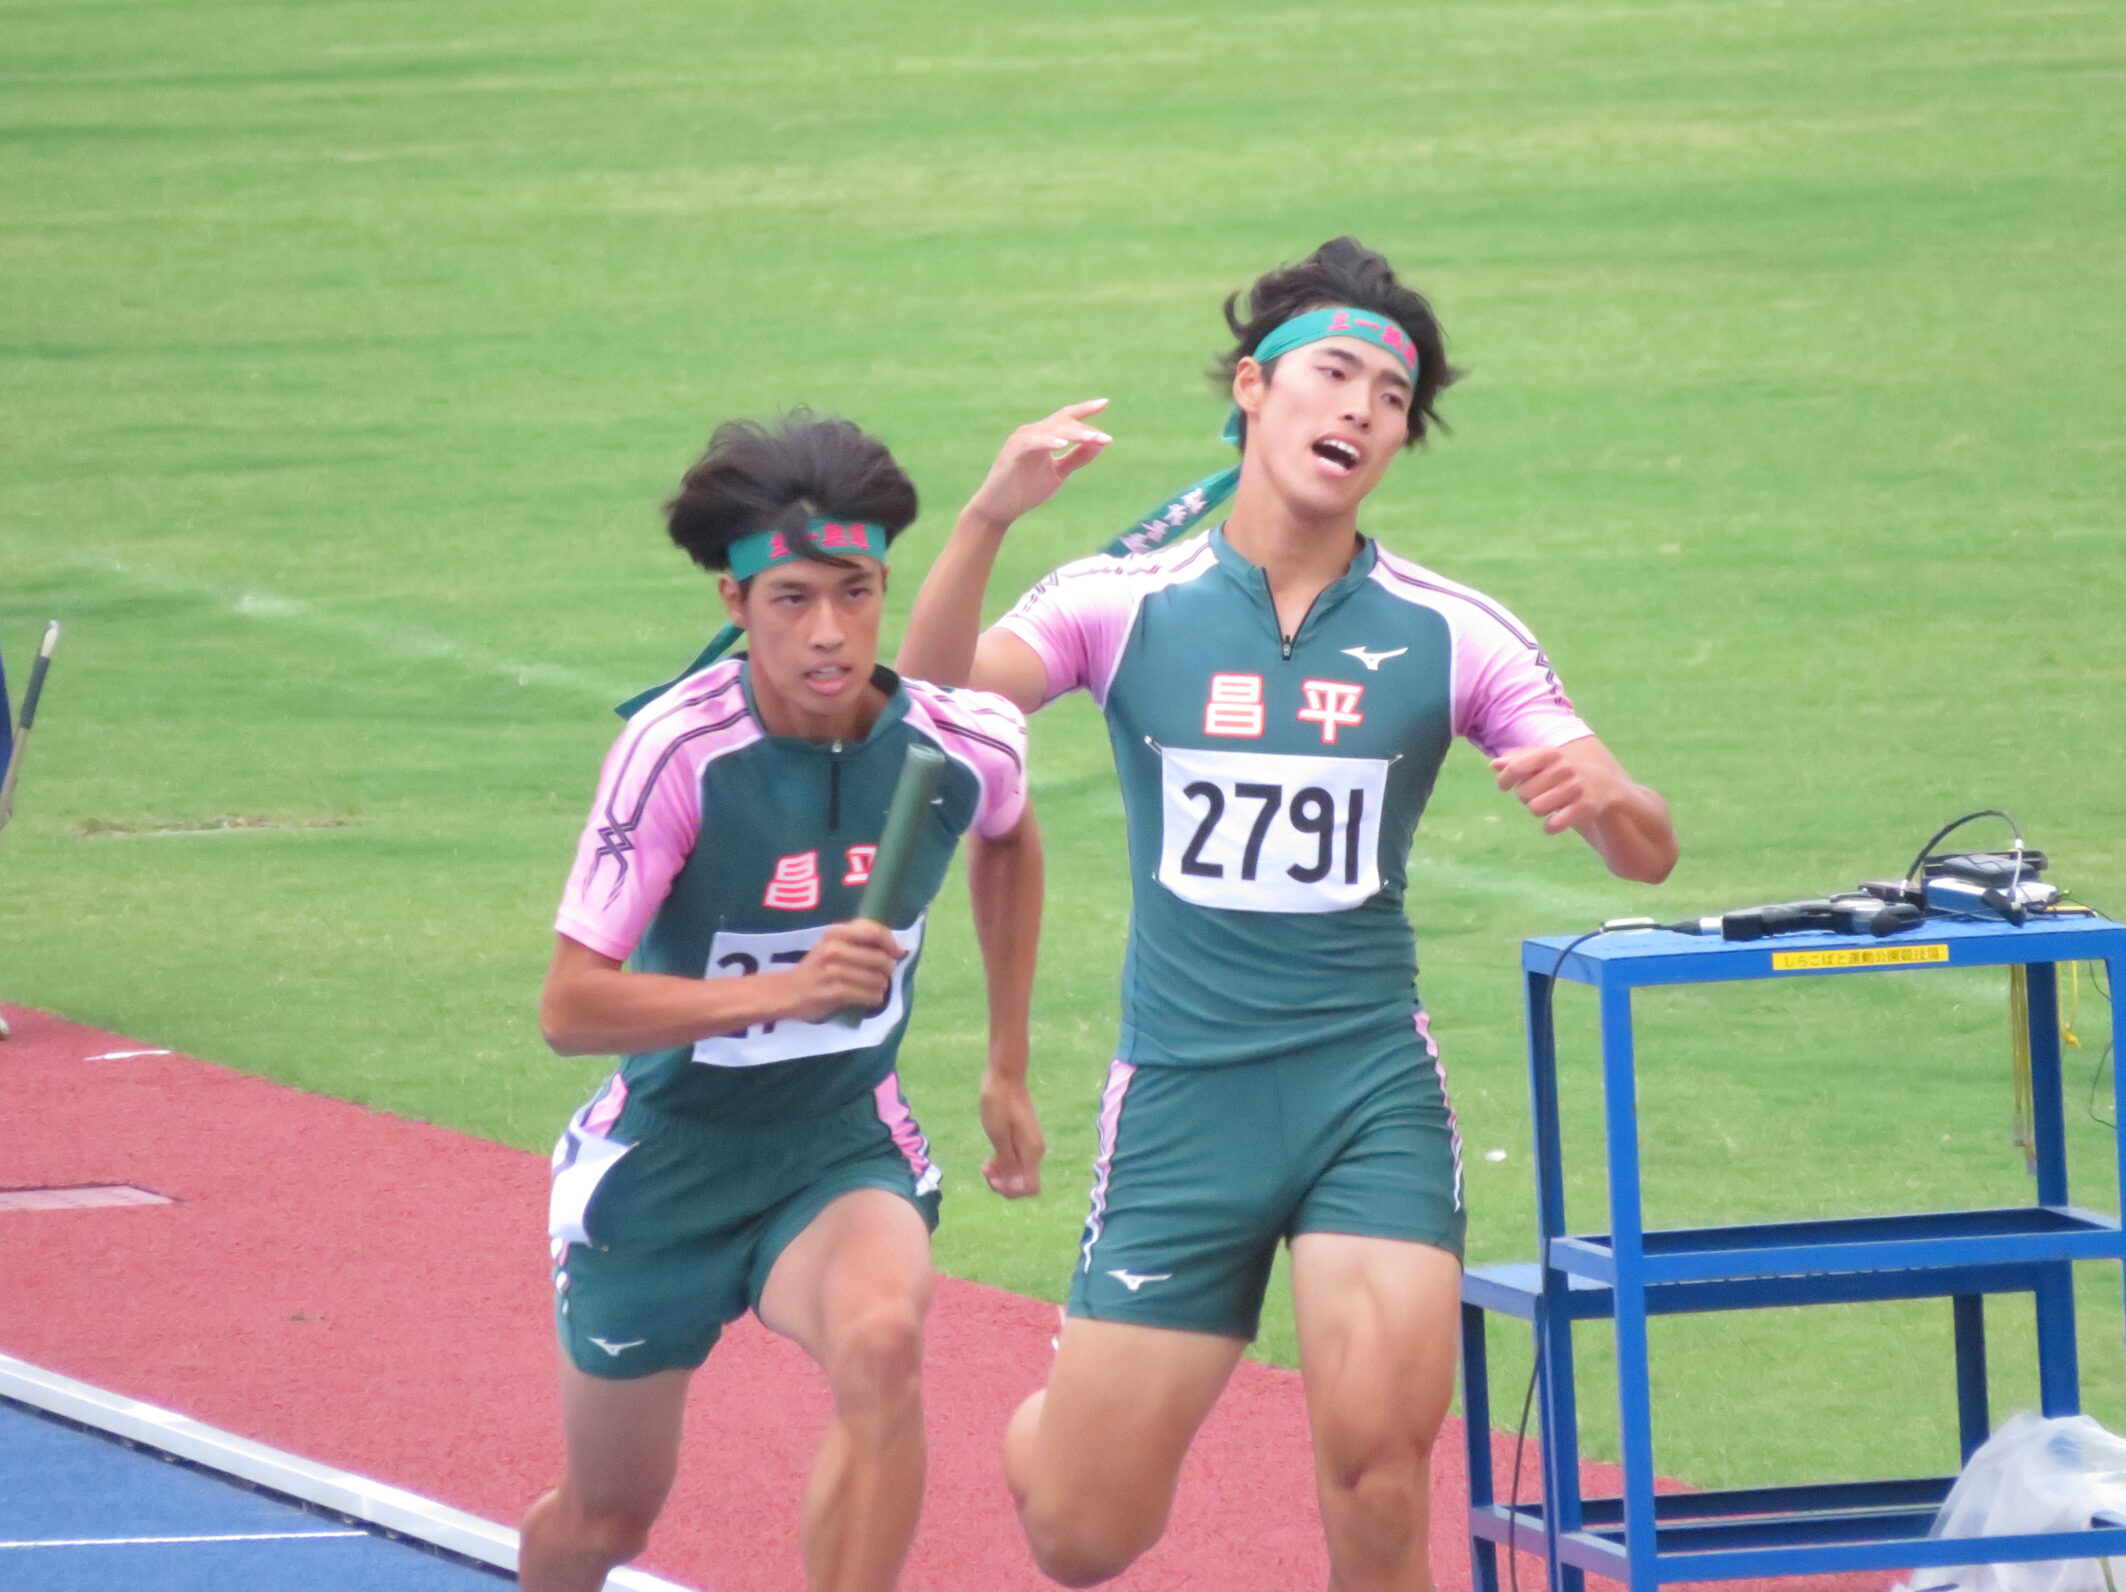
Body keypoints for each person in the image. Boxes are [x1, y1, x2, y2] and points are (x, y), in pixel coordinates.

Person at [896, 238, 1677, 1590]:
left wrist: (1613, 797)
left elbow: (1645, 855)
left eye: (1392, 396)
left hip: (1364, 1092)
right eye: (1334, 374)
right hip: (1182, 1104)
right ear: (1253, 391)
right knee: (1081, 1534)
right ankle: (1063, 1423)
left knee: (1379, 1467)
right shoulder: (1117, 604)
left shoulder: (1453, 630)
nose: (1362, 409)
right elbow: (926, 701)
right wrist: (985, 521)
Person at [519, 411, 1047, 1592]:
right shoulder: (676, 752)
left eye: (855, 595)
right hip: (665, 1166)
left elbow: (1009, 836)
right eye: (792, 600)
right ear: (735, 600)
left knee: (883, 1343)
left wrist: (1006, 1061)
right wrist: (786, 990)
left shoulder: (957, 740)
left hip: (838, 1146)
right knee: (606, 1522)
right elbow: (570, 1007)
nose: (828, 633)